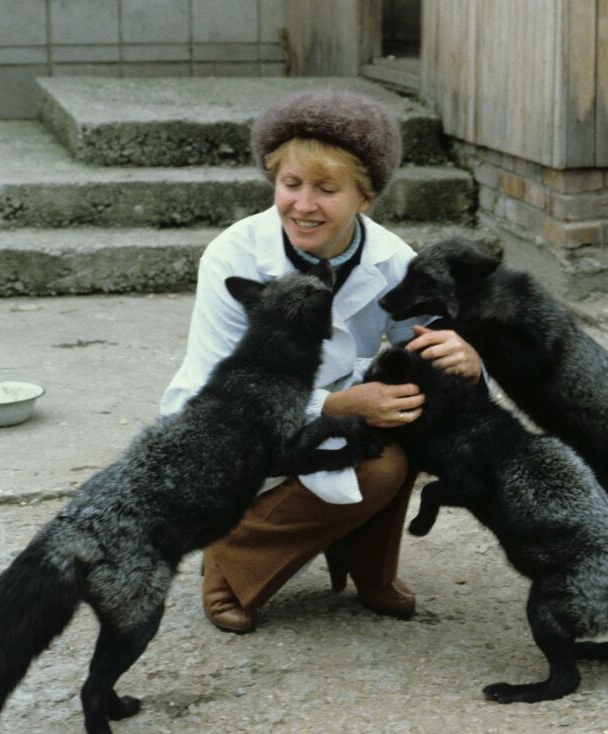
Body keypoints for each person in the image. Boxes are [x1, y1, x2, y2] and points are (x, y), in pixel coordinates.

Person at [160, 88, 481, 633]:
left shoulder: (392, 259)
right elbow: (219, 388)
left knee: (422, 414)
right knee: (381, 466)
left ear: (367, 197)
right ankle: (231, 561)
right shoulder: (233, 255)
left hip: (326, 410)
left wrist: (466, 355)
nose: (303, 205)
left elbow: (431, 341)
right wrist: (334, 404)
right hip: (229, 427)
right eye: (291, 184)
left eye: (326, 189)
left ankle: (368, 565)